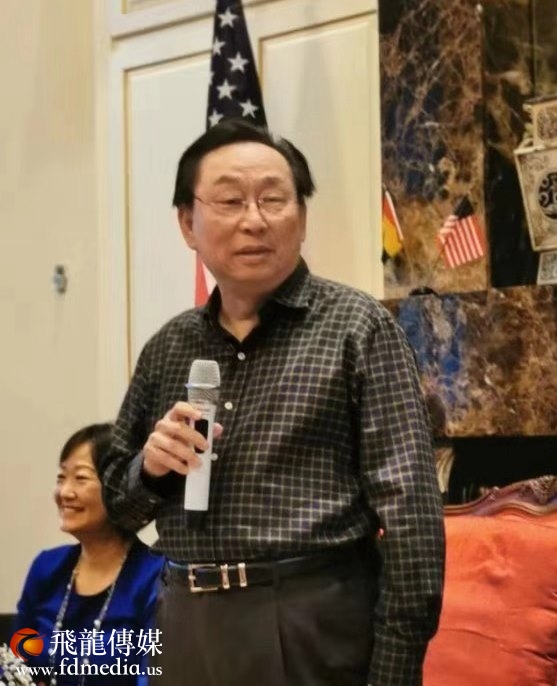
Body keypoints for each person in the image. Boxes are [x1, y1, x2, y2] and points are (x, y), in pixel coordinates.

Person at [100, 119, 445, 686]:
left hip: (309, 618)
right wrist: (151, 470)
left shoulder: (357, 329)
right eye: (230, 201)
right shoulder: (168, 347)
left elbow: (412, 520)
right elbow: (119, 506)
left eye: (273, 199)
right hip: (183, 622)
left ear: (301, 218)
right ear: (188, 223)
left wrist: (394, 671)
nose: (254, 220)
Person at [14, 423, 164, 685]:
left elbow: (150, 676)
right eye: (61, 478)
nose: (64, 492)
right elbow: (16, 662)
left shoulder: (156, 576)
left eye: (80, 478)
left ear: (121, 490)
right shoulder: (47, 567)